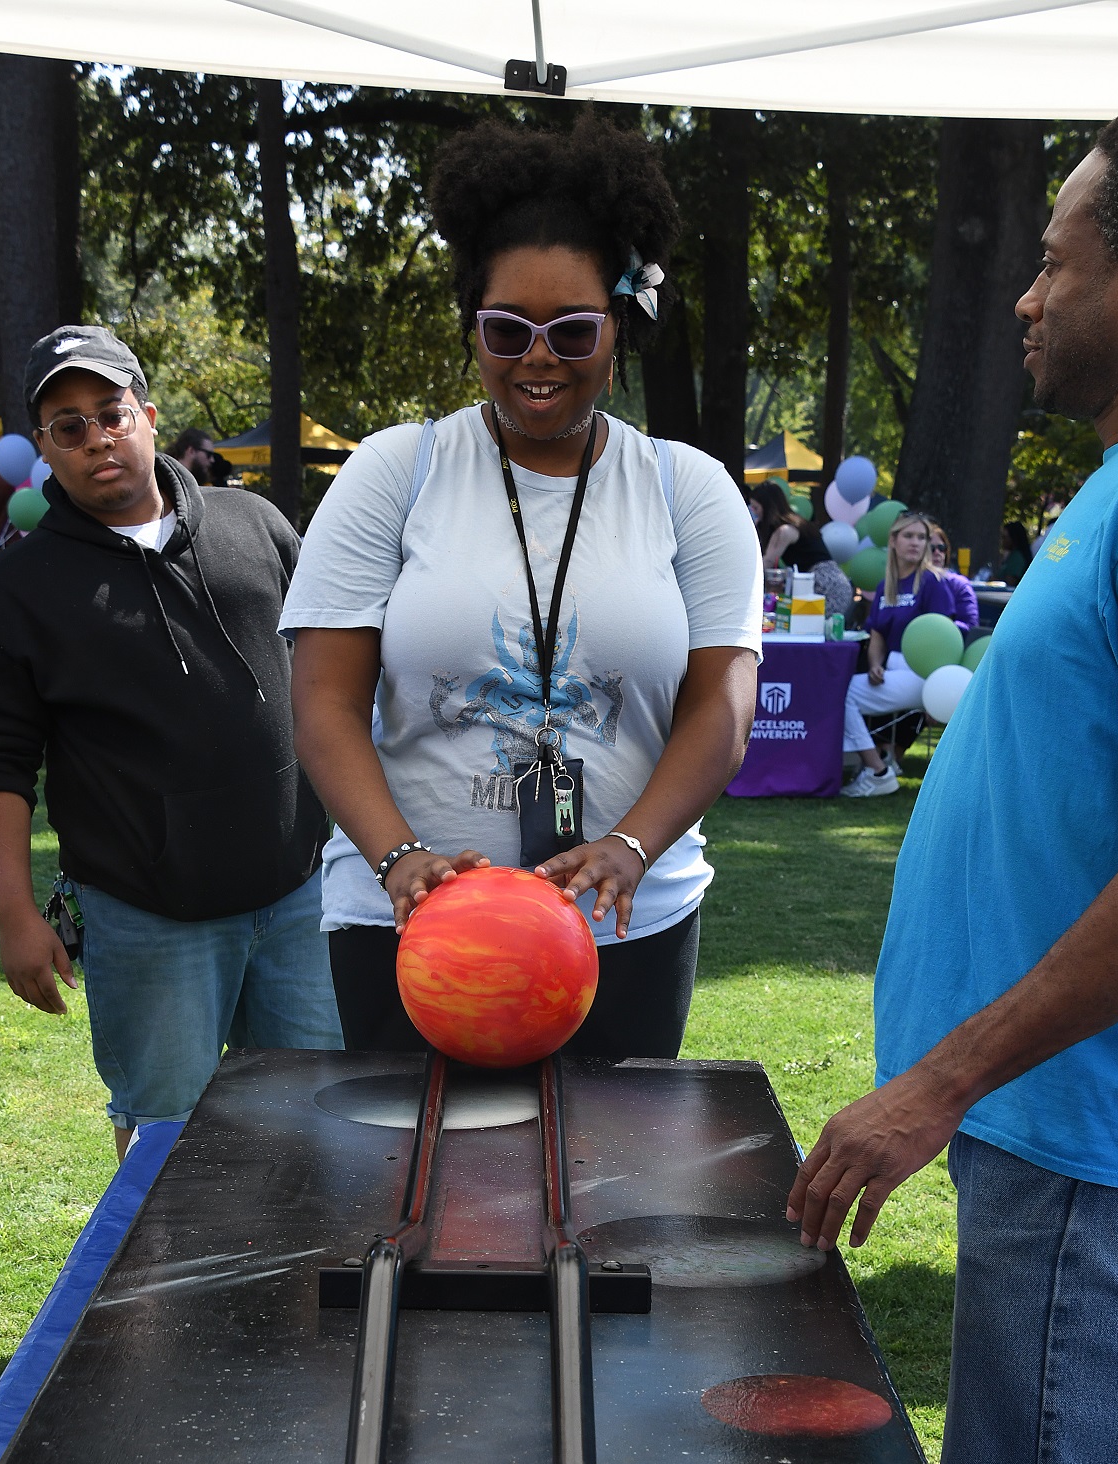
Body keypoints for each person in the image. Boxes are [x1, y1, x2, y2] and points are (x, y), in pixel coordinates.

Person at [787, 98, 1118, 1464]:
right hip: (1067, 1156)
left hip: (1092, 1167)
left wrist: (939, 1079)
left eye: (1058, 257)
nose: (1024, 294)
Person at [282, 114, 761, 1061]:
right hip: (411, 930)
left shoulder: (687, 489)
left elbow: (724, 707)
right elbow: (323, 701)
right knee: (409, 1196)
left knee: (607, 1196)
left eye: (572, 328)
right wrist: (397, 859)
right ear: (473, 330)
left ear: (618, 326)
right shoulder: (395, 471)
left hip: (621, 923)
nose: (539, 356)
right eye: (507, 328)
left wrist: (630, 845)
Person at [0, 324, 341, 1161]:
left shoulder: (256, 524)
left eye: (110, 412)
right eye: (69, 426)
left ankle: (308, 1294)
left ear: (149, 416)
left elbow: (336, 678)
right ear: (46, 450)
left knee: (322, 1121)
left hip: (298, 896)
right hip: (147, 916)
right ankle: (165, 1297)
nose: (97, 438)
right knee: (167, 1148)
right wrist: (17, 914)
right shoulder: (13, 590)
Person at [840, 508, 954, 796]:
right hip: (892, 670)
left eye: (921, 537)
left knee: (846, 694)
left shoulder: (933, 581)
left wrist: (937, 688)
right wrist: (875, 663)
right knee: (840, 691)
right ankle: (869, 764)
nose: (916, 543)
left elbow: (945, 637)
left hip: (923, 674)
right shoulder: (884, 586)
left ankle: (877, 770)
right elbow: (877, 632)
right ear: (893, 541)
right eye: (909, 536)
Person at [750, 478, 852, 618]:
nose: (754, 512)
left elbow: (767, 561)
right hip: (834, 582)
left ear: (768, 507)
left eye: (756, 507)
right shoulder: (797, 524)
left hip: (824, 584)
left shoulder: (784, 531)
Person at [927, 522, 979, 630]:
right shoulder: (906, 581)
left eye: (941, 548)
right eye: (931, 548)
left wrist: (943, 625)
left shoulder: (959, 584)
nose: (937, 553)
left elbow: (971, 626)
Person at [998, 518, 1033, 583]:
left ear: (1013, 538)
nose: (1002, 541)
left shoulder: (1017, 557)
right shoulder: (1011, 555)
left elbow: (1010, 581)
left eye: (1004, 537)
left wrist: (994, 580)